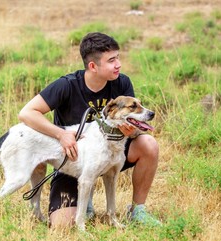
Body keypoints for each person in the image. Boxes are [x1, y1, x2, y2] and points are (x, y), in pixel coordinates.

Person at [18, 32, 160, 228]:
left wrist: (131, 131)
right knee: (62, 225)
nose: (118, 64)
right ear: (93, 66)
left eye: (118, 57)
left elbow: (133, 122)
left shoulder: (122, 83)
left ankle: (138, 210)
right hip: (73, 161)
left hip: (112, 153)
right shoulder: (66, 85)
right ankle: (86, 201)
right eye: (111, 60)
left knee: (148, 144)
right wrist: (61, 134)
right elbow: (26, 113)